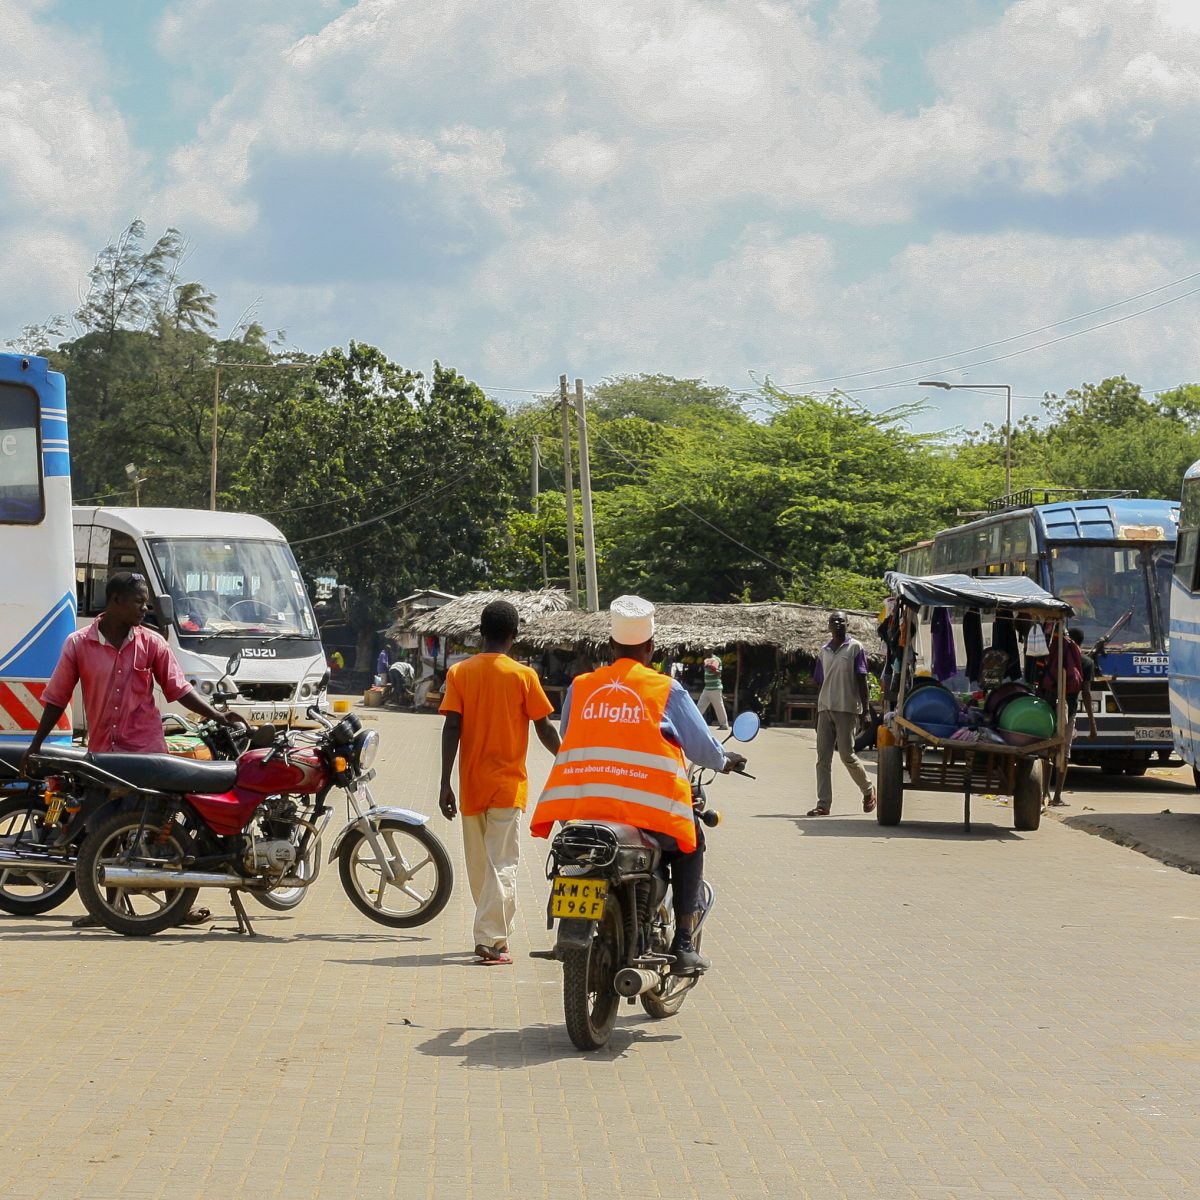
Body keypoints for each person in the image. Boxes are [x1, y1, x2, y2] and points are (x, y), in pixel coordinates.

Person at [530, 596, 745, 974]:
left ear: (611, 646)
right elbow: (702, 749)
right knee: (692, 843)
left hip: (582, 810)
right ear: (651, 648)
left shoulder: (581, 687)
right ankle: (683, 943)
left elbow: (571, 736)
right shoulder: (665, 689)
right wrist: (725, 760)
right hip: (647, 813)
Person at [21, 571, 248, 927]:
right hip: (104, 756)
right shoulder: (79, 644)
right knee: (105, 830)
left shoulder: (152, 643)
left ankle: (176, 905)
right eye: (138, 602)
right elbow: (57, 697)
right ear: (115, 601)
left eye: (146, 602)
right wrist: (35, 746)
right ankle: (107, 908)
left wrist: (218, 715)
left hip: (146, 753)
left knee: (158, 829)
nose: (144, 609)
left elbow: (178, 689)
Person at [438, 600, 561, 965]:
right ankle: (491, 939)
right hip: (508, 786)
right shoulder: (523, 676)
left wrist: (444, 783)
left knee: (481, 866)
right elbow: (544, 727)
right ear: (514, 635)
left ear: (481, 632)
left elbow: (452, 727)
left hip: (471, 783)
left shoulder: (460, 673)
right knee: (500, 864)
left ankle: (493, 935)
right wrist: (569, 759)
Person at [807, 610, 876, 817]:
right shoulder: (824, 651)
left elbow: (862, 680)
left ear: (847, 624)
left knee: (847, 755)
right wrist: (817, 712)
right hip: (825, 708)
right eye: (833, 621)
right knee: (823, 759)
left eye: (841, 620)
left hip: (847, 709)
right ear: (828, 626)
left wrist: (865, 711)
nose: (837, 623)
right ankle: (823, 804)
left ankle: (868, 790)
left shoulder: (855, 648)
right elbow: (821, 683)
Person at [1039, 624, 1098, 806]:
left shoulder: (1051, 655)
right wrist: (1092, 724)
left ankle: (1043, 793)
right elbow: (1086, 693)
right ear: (1080, 642)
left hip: (1048, 709)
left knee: (1047, 751)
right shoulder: (1086, 662)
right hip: (1068, 711)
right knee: (1063, 753)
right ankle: (1057, 796)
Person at [695, 652, 729, 730]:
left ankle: (724, 725)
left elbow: (719, 673)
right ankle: (694, 722)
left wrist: (711, 667)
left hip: (715, 687)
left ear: (711, 650)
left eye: (707, 650)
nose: (705, 652)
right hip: (707, 688)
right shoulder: (706, 660)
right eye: (704, 650)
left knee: (718, 707)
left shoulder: (716, 659)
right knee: (700, 706)